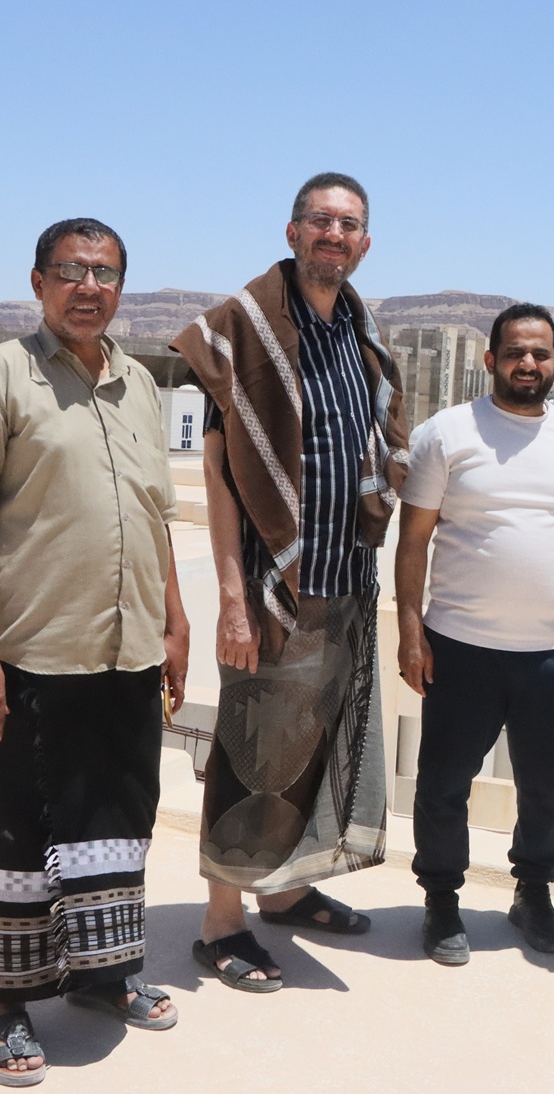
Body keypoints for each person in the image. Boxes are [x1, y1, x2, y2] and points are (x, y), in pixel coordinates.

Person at [0, 218, 188, 1087]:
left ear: (122, 287)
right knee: (16, 829)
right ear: (38, 282)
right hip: (29, 657)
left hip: (127, 653)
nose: (90, 287)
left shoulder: (141, 383)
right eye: (72, 271)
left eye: (106, 273)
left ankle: (105, 976)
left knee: (115, 818)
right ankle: (5, 1006)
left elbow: (156, 514)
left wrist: (175, 622)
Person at [170, 172, 408, 992]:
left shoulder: (359, 332)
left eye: (348, 224)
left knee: (310, 747)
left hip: (345, 580)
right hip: (273, 587)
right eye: (320, 220)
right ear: (292, 231)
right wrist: (233, 600)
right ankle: (221, 920)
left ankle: (285, 890)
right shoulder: (242, 329)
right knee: (252, 751)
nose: (333, 235)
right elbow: (219, 472)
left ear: (364, 243)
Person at [395, 303, 554, 965]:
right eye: (515, 352)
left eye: (540, 353)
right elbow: (413, 540)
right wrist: (409, 630)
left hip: (553, 654)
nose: (527, 364)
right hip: (461, 647)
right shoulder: (447, 433)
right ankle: (441, 900)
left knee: (547, 789)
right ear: (491, 360)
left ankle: (533, 893)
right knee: (443, 783)